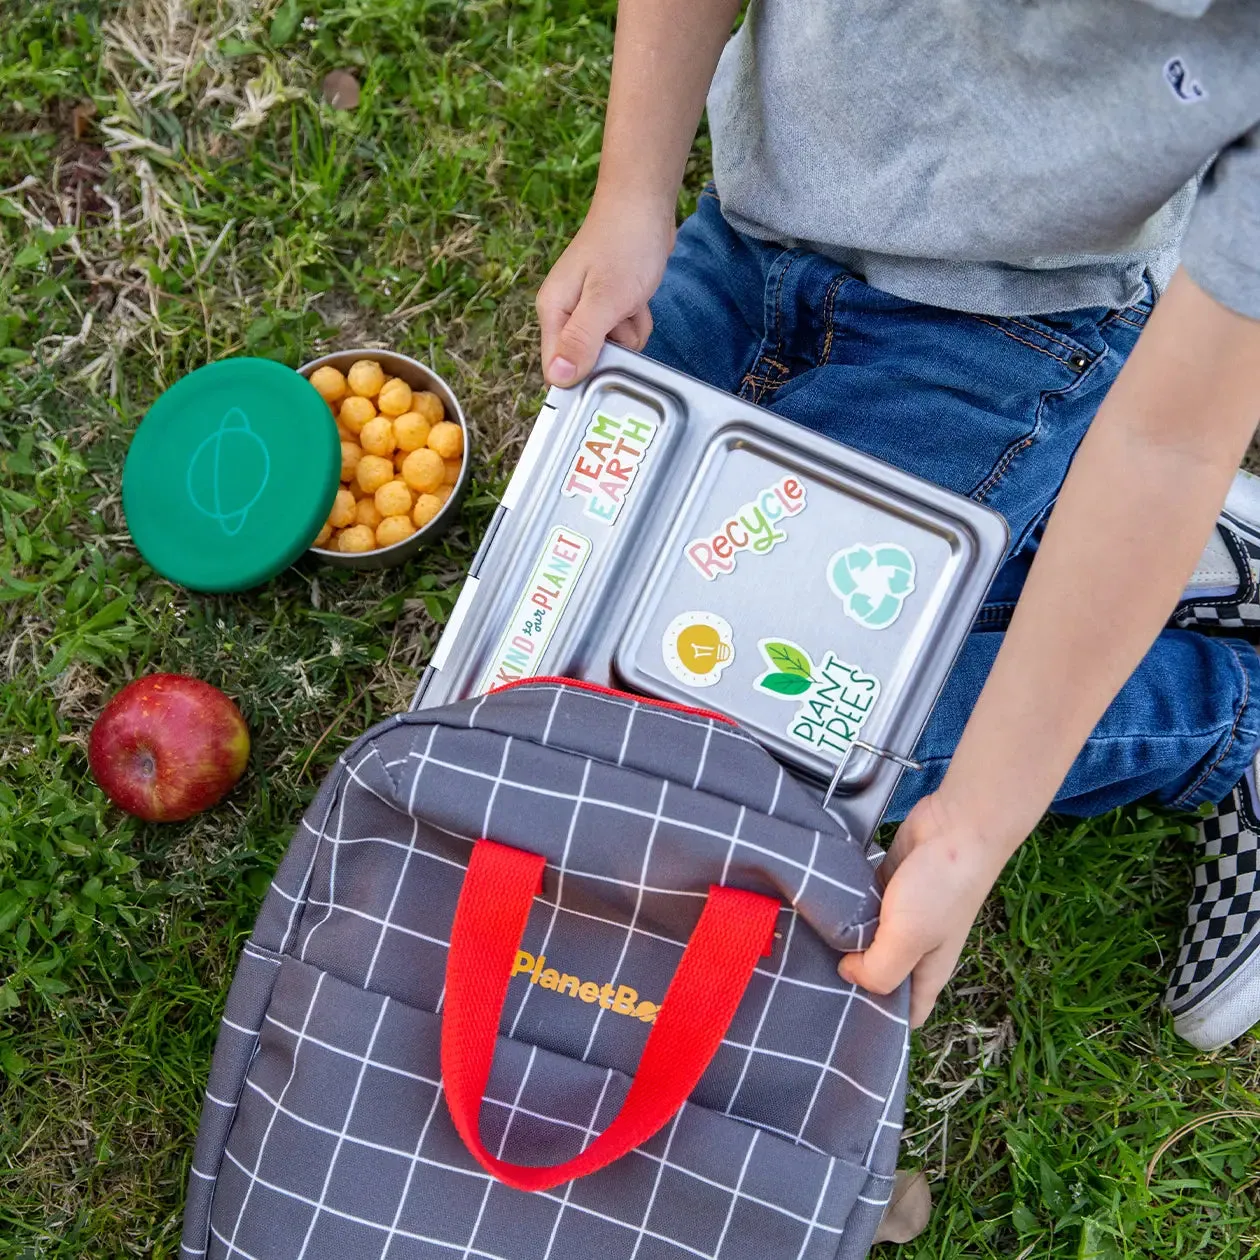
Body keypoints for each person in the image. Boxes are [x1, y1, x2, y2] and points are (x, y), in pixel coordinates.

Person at [535, 0, 1260, 1051]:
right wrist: (632, 195)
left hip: (1008, 337)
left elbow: (1170, 445)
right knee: (547, 635)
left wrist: (972, 829)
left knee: (731, 764)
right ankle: (1111, 566)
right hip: (751, 238)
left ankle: (1225, 723)